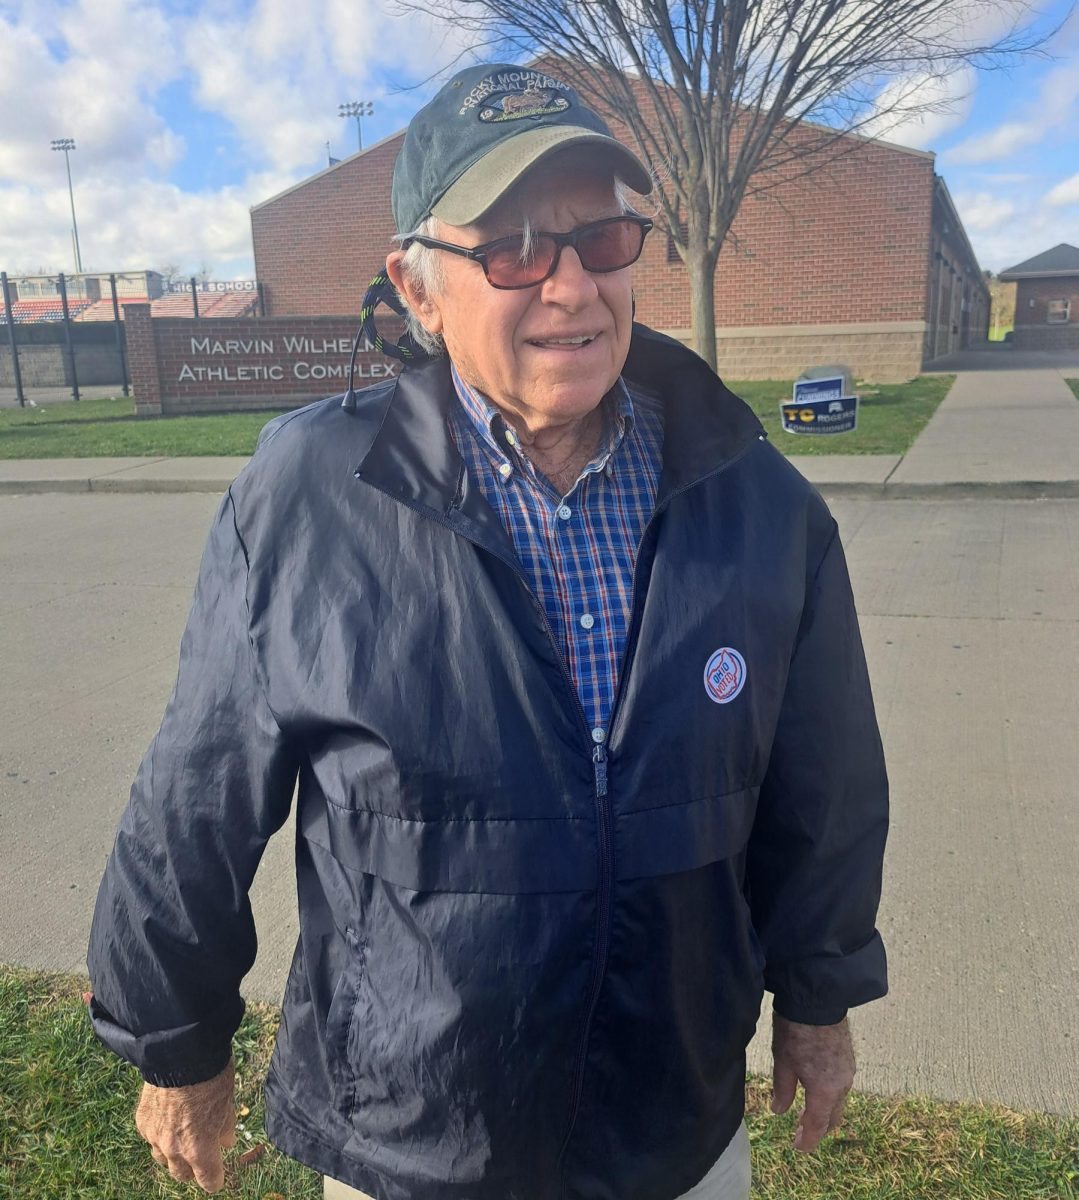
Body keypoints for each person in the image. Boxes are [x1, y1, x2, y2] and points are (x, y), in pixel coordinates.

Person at [88, 62, 888, 1200]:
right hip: (415, 1131)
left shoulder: (756, 499)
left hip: (673, 1122)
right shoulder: (309, 493)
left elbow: (825, 781)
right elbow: (197, 789)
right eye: (513, 248)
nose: (568, 286)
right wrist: (174, 1043)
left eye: (602, 239)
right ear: (416, 290)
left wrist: (817, 996)